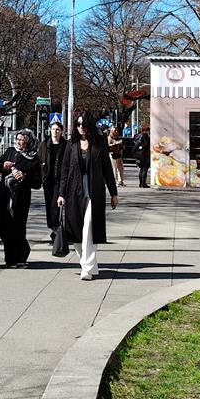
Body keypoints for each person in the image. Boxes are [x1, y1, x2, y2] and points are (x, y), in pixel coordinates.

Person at [58, 112, 119, 281]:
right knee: (76, 232)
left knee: (89, 229)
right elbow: (64, 171)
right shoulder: (71, 144)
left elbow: (107, 169)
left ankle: (87, 268)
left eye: (84, 124)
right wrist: (61, 194)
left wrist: (113, 193)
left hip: (94, 190)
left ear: (90, 125)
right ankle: (86, 263)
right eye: (78, 124)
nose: (81, 127)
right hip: (74, 191)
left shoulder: (99, 142)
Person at [0, 129, 42, 268]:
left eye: (23, 141)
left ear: (29, 142)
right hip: (4, 195)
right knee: (1, 225)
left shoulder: (34, 158)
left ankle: (14, 258)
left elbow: (37, 183)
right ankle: (23, 249)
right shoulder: (10, 151)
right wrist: (3, 166)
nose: (20, 143)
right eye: (18, 139)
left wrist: (25, 176)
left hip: (21, 198)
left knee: (17, 227)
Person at [38, 120, 67, 243]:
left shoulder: (65, 145)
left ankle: (56, 229)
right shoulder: (45, 144)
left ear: (61, 132)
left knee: (56, 206)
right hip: (47, 180)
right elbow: (39, 159)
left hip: (60, 180)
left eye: (57, 130)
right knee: (49, 205)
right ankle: (53, 227)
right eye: (53, 129)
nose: (55, 132)